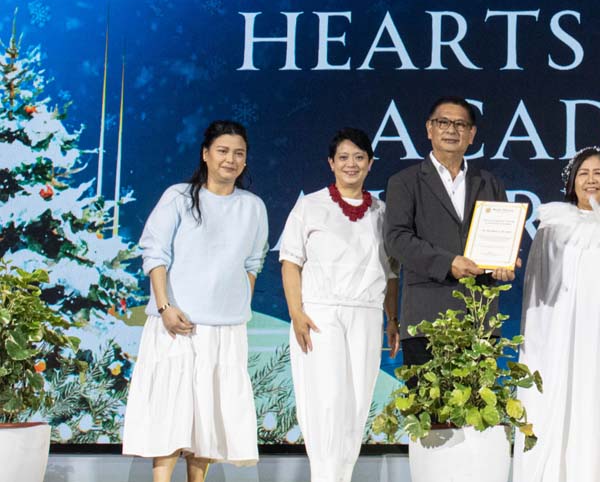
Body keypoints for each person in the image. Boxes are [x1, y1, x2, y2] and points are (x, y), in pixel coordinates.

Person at [122, 120, 269, 482]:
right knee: (171, 414)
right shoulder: (179, 196)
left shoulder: (253, 206)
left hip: (225, 330)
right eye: (222, 151)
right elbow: (155, 253)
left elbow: (253, 262)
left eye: (239, 153)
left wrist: (235, 302)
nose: (230, 160)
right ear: (205, 154)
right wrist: (164, 307)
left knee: (207, 418)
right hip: (177, 324)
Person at [514, 147, 600, 482]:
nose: (591, 180)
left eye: (598, 173)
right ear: (572, 181)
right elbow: (537, 287)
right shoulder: (553, 224)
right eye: (584, 173)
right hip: (565, 332)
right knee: (563, 399)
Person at [279, 127, 400, 482]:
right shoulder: (310, 206)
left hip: (367, 315)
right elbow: (290, 261)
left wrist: (392, 318)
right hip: (320, 314)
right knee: (327, 403)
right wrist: (296, 312)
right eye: (343, 157)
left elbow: (392, 273)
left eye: (359, 157)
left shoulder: (382, 212)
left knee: (356, 405)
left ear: (370, 163)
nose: (351, 164)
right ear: (331, 163)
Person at [383, 97, 516, 368]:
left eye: (460, 124)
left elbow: (500, 241)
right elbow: (397, 239)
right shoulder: (404, 182)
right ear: (429, 129)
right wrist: (448, 263)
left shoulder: (490, 183)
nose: (451, 130)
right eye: (443, 122)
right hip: (427, 321)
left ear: (472, 134)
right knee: (426, 397)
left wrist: (504, 264)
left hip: (480, 320)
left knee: (481, 396)